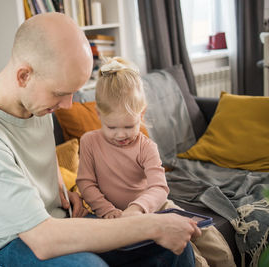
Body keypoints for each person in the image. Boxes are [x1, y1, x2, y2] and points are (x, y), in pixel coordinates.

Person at [0, 12, 201, 267]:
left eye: (73, 93)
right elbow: (42, 239)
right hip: (4, 247)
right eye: (61, 93)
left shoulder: (37, 103)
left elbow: (33, 160)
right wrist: (150, 224)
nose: (67, 105)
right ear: (24, 76)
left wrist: (59, 192)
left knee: (173, 248)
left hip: (54, 222)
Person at [76, 57, 236, 267]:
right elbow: (85, 183)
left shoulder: (146, 146)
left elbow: (159, 187)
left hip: (153, 207)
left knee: (209, 237)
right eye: (112, 127)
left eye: (129, 125)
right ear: (99, 115)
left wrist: (137, 208)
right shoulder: (89, 141)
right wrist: (107, 210)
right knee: (188, 251)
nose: (121, 134)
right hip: (112, 214)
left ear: (141, 114)